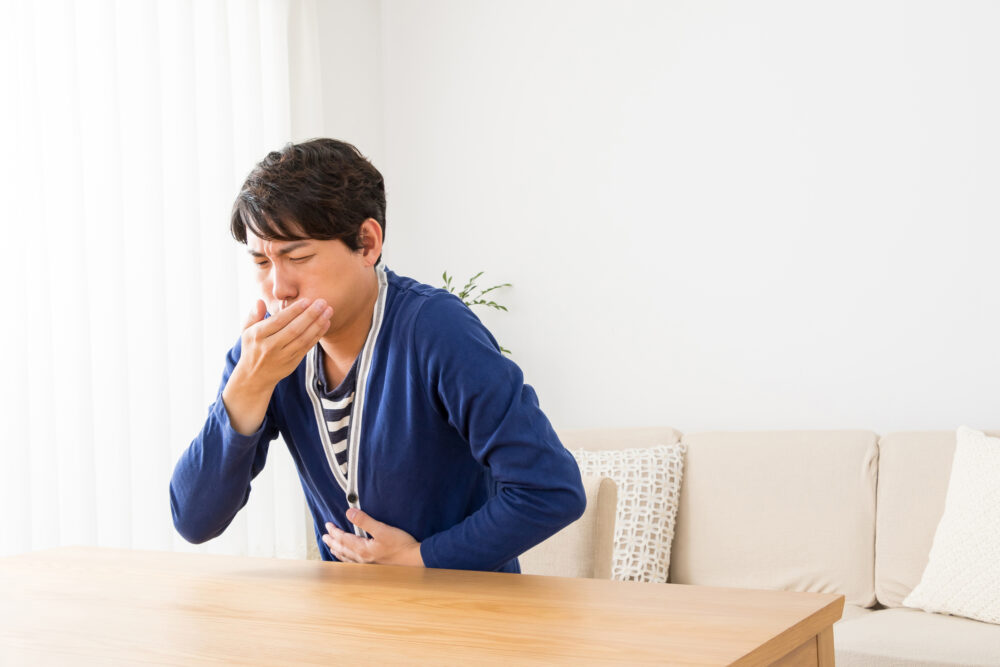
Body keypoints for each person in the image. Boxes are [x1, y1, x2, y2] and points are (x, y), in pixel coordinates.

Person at [169, 138, 585, 572]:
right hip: (352, 622)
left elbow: (551, 490)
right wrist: (247, 387)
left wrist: (424, 558)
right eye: (261, 263)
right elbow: (195, 521)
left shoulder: (437, 330)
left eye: (299, 256)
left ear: (367, 243)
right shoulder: (263, 357)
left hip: (467, 618)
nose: (279, 288)